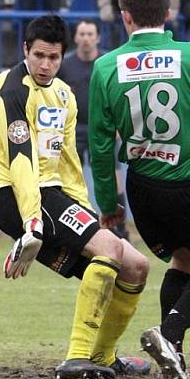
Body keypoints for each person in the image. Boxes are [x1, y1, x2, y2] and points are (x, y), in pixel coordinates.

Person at [0, 14, 151, 379]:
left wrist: (87, 211)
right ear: (25, 50)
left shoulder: (64, 95)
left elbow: (68, 163)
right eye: (38, 55)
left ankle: (103, 356)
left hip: (48, 193)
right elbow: (21, 162)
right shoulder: (11, 90)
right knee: (111, 251)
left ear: (62, 55)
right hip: (9, 192)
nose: (45, 64)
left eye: (53, 57)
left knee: (135, 266)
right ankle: (77, 357)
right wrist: (32, 224)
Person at [88, 0, 190, 379]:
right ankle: (171, 329)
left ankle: (173, 357)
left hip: (142, 189)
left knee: (184, 261)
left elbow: (99, 145)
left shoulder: (105, 66)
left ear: (125, 16)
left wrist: (110, 205)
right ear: (168, 13)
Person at [58, 19, 129, 239]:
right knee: (70, 181)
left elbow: (121, 95)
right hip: (72, 131)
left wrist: (119, 125)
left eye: (90, 34)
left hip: (104, 129)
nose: (86, 38)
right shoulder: (65, 65)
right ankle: (72, 231)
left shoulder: (109, 62)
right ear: (76, 38)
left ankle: (120, 230)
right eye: (82, 34)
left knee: (114, 177)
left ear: (97, 37)